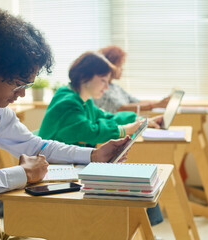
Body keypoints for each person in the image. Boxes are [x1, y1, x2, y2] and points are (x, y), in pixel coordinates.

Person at [0, 8, 130, 240]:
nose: (21, 95)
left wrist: (93, 156)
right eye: (18, 84)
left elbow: (37, 147)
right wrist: (21, 173)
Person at [38, 51, 164, 227]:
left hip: (74, 160)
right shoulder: (67, 101)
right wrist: (124, 129)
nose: (106, 88)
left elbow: (105, 116)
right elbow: (89, 131)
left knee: (139, 179)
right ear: (85, 77)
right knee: (131, 182)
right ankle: (134, 227)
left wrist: (138, 121)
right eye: (103, 81)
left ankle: (143, 228)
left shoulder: (83, 99)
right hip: (58, 166)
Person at [93, 45, 170, 114]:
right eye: (120, 66)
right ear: (111, 65)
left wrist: (161, 103)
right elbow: (121, 108)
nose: (122, 69)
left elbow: (136, 102)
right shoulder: (101, 90)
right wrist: (156, 105)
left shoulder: (115, 87)